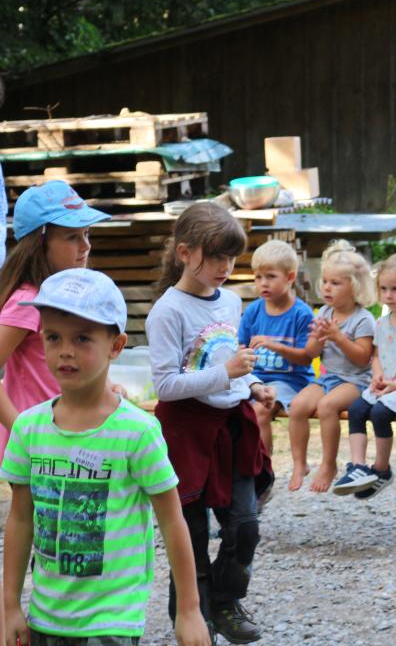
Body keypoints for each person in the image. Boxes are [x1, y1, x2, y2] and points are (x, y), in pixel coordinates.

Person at [1, 267, 209, 646]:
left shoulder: (137, 432)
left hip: (112, 622)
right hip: (45, 618)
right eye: (53, 337)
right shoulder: (28, 428)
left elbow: (172, 520)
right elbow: (20, 518)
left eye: (82, 338)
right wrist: (11, 605)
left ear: (116, 345)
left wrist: (189, 609)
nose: (65, 350)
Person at [145, 201, 274, 645]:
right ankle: (193, 622)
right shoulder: (168, 311)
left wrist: (253, 384)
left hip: (231, 430)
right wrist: (228, 373)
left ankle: (223, 602)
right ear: (184, 253)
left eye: (231, 257)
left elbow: (225, 359)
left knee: (245, 526)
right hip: (186, 434)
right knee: (192, 535)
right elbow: (166, 386)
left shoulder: (232, 301)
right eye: (216, 256)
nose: (225, 267)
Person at [0, 180, 110, 461]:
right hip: (34, 453)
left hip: (69, 442)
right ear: (39, 243)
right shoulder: (29, 301)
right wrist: (22, 431)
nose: (85, 246)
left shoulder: (67, 298)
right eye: (72, 237)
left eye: (87, 234)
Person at [332, 252, 396, 500]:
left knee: (379, 414)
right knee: (357, 410)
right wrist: (377, 375)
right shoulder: (382, 322)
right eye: (384, 289)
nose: (388, 295)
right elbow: (376, 355)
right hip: (385, 384)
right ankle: (358, 467)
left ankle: (381, 469)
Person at [287, 240, 375, 493]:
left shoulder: (363, 319)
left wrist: (338, 338)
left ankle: (329, 464)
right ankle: (300, 463)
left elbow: (363, 358)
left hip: (356, 381)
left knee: (327, 407)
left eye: (335, 283)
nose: (327, 287)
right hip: (328, 378)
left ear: (355, 287)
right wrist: (317, 339)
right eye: (325, 281)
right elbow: (311, 353)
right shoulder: (324, 313)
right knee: (297, 406)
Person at [239, 239, 319, 455]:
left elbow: (305, 358)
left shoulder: (302, 314)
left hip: (290, 381)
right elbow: (241, 346)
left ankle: (263, 469)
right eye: (258, 277)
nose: (263, 283)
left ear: (290, 277)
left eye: (271, 276)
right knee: (228, 407)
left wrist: (273, 345)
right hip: (256, 379)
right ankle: (241, 465)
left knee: (260, 410)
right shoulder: (253, 311)